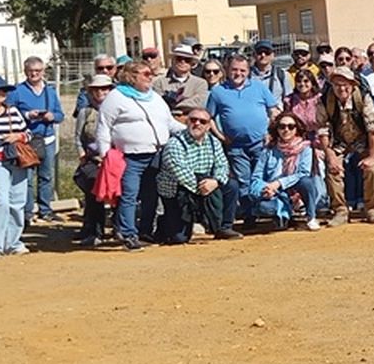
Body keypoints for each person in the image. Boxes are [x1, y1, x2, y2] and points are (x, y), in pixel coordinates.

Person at [96, 60, 183, 250]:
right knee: (130, 195)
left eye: (151, 73)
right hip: (129, 157)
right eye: (145, 74)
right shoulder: (116, 97)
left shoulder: (155, 98)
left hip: (155, 154)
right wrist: (105, 155)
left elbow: (169, 123)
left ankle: (145, 230)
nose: (150, 77)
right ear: (131, 76)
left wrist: (189, 130)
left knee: (151, 196)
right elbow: (104, 127)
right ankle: (128, 234)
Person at [206, 54, 281, 236]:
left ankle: (268, 211)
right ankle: (249, 215)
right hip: (236, 146)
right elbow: (209, 118)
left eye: (242, 70)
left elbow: (273, 110)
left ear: (248, 71)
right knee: (243, 181)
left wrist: (271, 132)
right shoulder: (218, 92)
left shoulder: (259, 87)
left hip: (261, 144)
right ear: (227, 70)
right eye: (234, 70)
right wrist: (221, 136)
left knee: (263, 177)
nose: (238, 73)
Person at [156, 104, 233, 243]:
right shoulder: (174, 144)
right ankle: (165, 225)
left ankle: (223, 227)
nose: (197, 123)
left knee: (231, 186)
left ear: (208, 126)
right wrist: (205, 189)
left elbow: (222, 165)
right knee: (179, 239)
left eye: (202, 121)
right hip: (179, 190)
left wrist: (215, 182)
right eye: (193, 120)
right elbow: (182, 176)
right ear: (187, 122)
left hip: (205, 184)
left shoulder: (214, 142)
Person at [319, 69, 374, 225]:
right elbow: (323, 131)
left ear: (353, 85)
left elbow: (373, 129)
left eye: (345, 85)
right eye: (337, 85)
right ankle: (340, 210)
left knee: (372, 170)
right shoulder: (325, 100)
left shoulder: (363, 98)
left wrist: (372, 156)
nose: (342, 88)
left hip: (363, 139)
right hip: (339, 141)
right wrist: (331, 156)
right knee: (333, 170)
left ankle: (372, 209)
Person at [243, 112, 323, 229]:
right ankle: (285, 215)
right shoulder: (268, 150)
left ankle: (310, 217)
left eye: (291, 126)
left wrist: (279, 183)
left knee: (306, 182)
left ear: (297, 129)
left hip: (296, 188)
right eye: (282, 126)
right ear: (277, 129)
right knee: (264, 207)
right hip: (276, 193)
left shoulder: (305, 149)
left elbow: (303, 173)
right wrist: (266, 189)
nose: (286, 130)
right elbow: (256, 177)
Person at [8, 56, 63, 223]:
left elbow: (60, 115)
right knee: (27, 178)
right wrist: (27, 115)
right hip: (26, 141)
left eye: (37, 71)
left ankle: (46, 210)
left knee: (46, 176)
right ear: (25, 71)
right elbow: (8, 113)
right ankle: (27, 212)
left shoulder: (50, 91)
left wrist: (52, 116)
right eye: (31, 71)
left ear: (43, 71)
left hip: (47, 139)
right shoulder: (16, 91)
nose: (34, 74)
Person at [0, 73, 33, 258]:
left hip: (17, 159)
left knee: (18, 201)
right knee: (1, 201)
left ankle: (13, 242)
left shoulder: (13, 111)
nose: (1, 94)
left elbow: (28, 133)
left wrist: (19, 136)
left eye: (4, 90)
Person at [72, 74, 115, 245]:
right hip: (92, 159)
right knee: (93, 193)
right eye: (96, 89)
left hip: (113, 160)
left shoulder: (117, 110)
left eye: (104, 88)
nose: (100, 92)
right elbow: (78, 137)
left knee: (118, 195)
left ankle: (120, 228)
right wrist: (82, 155)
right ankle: (94, 231)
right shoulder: (86, 112)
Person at [152, 45, 210, 116]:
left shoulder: (200, 83)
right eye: (179, 58)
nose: (183, 62)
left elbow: (198, 102)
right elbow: (159, 103)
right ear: (173, 61)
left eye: (187, 60)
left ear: (192, 63)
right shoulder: (159, 82)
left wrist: (173, 105)